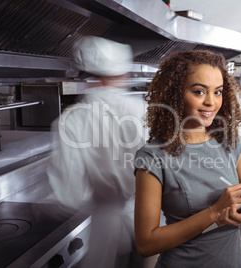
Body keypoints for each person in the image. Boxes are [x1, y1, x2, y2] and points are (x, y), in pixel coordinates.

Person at [134, 50, 241, 267]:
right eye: (199, 92)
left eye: (218, 92)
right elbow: (146, 244)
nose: (211, 102)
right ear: (175, 95)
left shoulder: (231, 143)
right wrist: (214, 212)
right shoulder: (153, 158)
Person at [47, 36, 147, 268]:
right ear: (123, 74)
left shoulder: (70, 121)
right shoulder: (144, 111)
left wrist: (41, 208)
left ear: (82, 75)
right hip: (152, 221)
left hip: (106, 227)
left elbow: (67, 197)